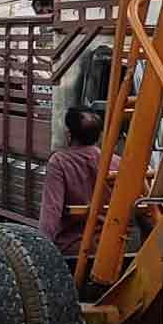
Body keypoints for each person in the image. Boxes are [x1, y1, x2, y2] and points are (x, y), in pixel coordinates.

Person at [40, 106, 119, 255]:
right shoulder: (116, 162)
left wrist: (43, 252)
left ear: (69, 134)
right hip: (112, 247)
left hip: (73, 248)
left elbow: (51, 213)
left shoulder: (59, 162)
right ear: (99, 135)